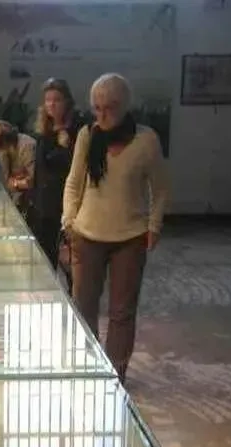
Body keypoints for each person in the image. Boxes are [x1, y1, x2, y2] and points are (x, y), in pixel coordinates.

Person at [62, 73, 167, 383]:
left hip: (130, 238)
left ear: (124, 106)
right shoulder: (88, 135)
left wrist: (154, 225)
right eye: (97, 108)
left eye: (109, 107)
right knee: (84, 306)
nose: (102, 115)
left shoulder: (146, 140)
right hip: (86, 234)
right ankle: (89, 365)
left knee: (122, 311)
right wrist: (68, 221)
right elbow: (73, 182)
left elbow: (160, 187)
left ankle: (115, 373)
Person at [33, 78, 85, 276]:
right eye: (48, 100)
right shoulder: (43, 132)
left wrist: (64, 147)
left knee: (72, 263)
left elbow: (76, 166)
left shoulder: (77, 130)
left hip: (67, 204)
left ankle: (74, 295)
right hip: (44, 206)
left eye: (56, 100)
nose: (51, 104)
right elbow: (40, 169)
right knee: (46, 262)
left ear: (67, 102)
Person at [0, 119, 36, 220]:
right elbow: (8, 182)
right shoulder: (3, 150)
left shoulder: (27, 145)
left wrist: (16, 183)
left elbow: (33, 181)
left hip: (32, 204)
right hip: (17, 201)